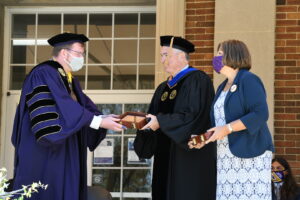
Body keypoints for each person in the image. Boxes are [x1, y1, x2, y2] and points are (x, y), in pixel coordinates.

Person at [11, 32, 124, 200]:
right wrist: (98, 121)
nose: (82, 58)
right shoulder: (44, 73)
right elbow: (59, 112)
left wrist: (107, 119)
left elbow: (86, 109)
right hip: (46, 157)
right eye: (79, 53)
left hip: (63, 155)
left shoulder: (70, 81)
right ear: (64, 53)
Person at [189, 39, 274, 199]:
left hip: (250, 155)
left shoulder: (248, 80)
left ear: (233, 55)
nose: (216, 58)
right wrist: (205, 138)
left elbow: (260, 113)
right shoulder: (222, 87)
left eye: (220, 54)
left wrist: (227, 129)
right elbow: (220, 123)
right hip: (225, 158)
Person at [134, 35, 216, 200]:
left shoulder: (198, 80)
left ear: (181, 56)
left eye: (166, 55)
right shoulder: (163, 88)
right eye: (161, 55)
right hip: (165, 156)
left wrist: (161, 122)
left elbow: (194, 116)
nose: (162, 60)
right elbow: (154, 117)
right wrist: (146, 126)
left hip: (188, 158)